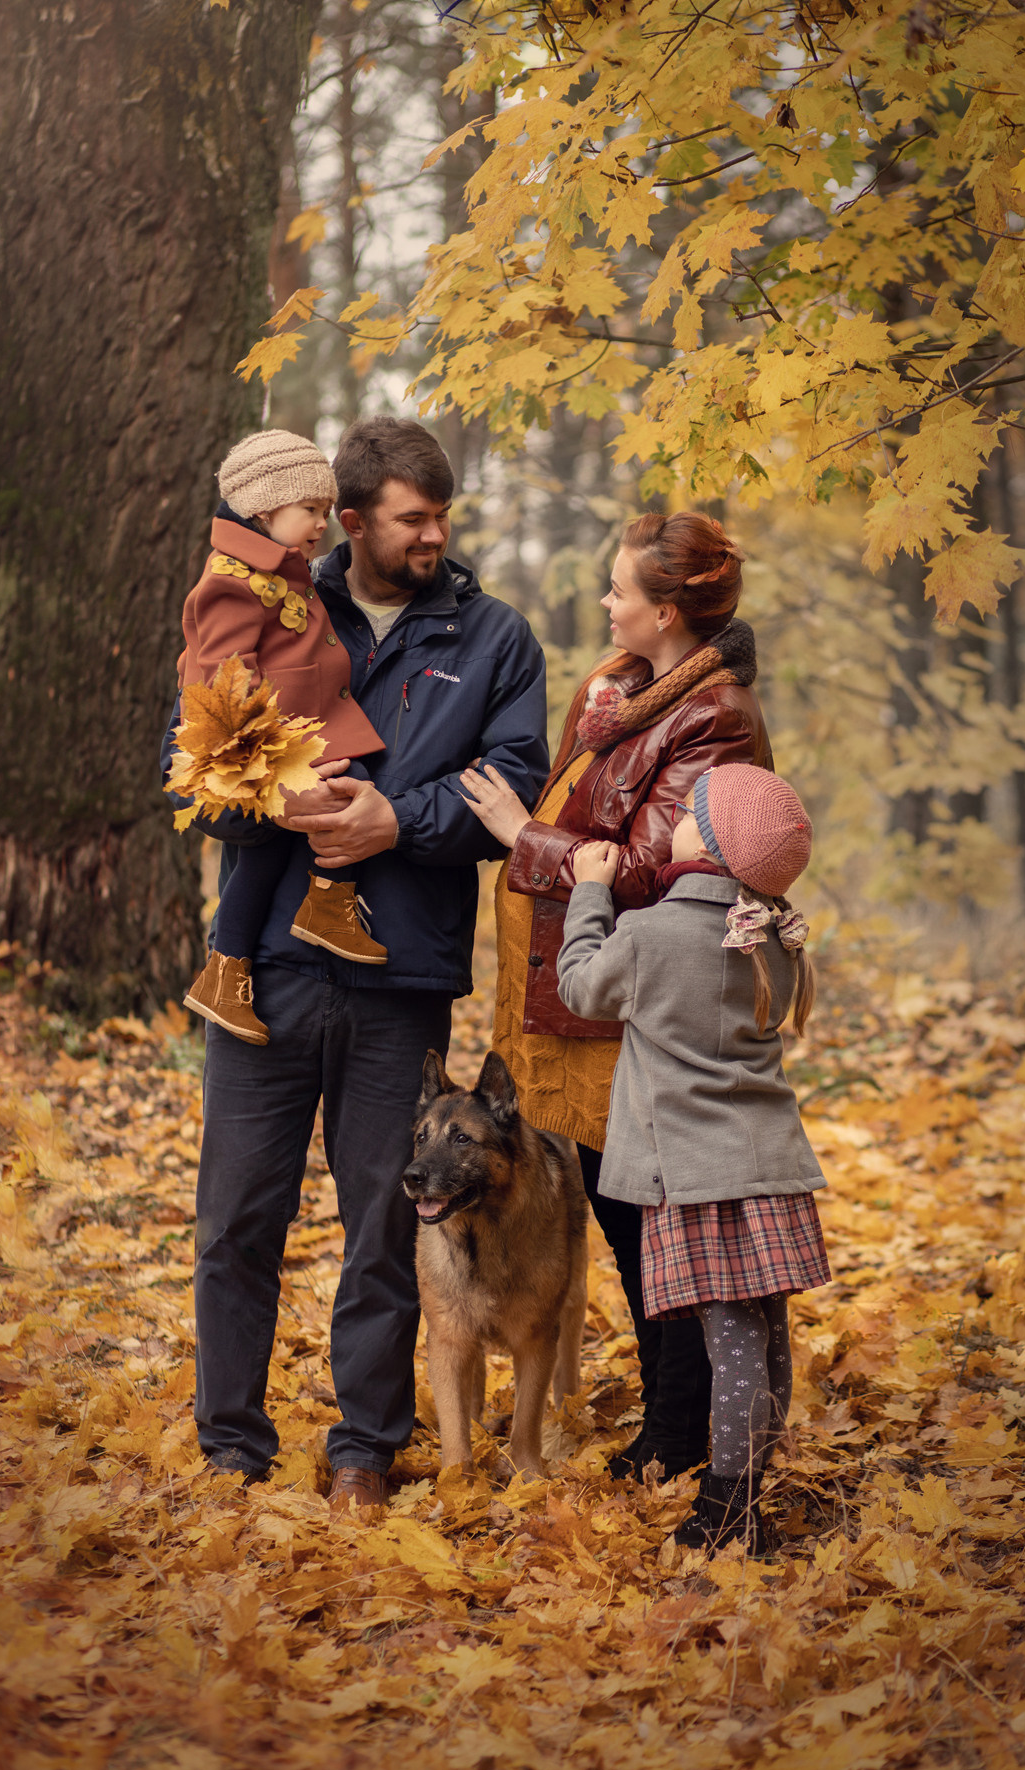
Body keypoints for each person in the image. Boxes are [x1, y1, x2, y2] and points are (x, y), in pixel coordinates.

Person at [161, 417, 549, 1503]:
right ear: (350, 518)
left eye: (443, 519)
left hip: (403, 975)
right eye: (412, 519)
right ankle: (230, 1448)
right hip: (266, 974)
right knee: (238, 1216)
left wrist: (398, 821)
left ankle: (364, 1449)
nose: (434, 537)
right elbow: (183, 753)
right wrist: (282, 801)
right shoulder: (273, 602)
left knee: (389, 1219)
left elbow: (516, 787)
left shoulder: (496, 640)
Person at [460, 511, 773, 1481]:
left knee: (650, 1225)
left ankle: (680, 1436)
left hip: (637, 1005)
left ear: (669, 610)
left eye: (621, 590)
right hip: (580, 994)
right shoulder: (621, 694)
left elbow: (653, 868)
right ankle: (668, 1423)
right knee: (622, 1211)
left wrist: (524, 836)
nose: (606, 601)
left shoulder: (714, 719)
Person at [556, 762, 829, 1556]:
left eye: (688, 812)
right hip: (764, 1165)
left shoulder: (651, 934)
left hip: (693, 1172)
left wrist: (590, 893)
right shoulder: (772, 936)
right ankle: (750, 1485)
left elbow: (580, 988)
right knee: (765, 1333)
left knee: (731, 1341)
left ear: (707, 841)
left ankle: (729, 1509)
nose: (672, 816)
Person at [177, 430, 390, 1048]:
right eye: (311, 512)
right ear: (264, 511)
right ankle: (225, 970)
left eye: (326, 511)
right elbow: (221, 675)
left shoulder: (280, 567)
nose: (322, 524)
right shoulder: (231, 581)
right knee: (263, 852)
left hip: (309, 729)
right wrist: (254, 757)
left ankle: (324, 905)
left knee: (350, 793)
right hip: (269, 745)